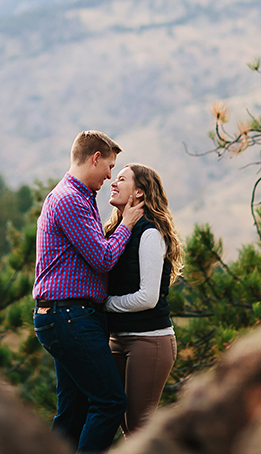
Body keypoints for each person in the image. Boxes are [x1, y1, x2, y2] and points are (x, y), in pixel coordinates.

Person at [32, 130, 144, 453]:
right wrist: (127, 223)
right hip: (70, 317)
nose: (110, 175)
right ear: (95, 158)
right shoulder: (70, 199)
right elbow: (103, 258)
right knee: (110, 402)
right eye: (109, 166)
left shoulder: (79, 199)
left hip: (66, 317)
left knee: (73, 412)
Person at [103, 163, 183, 436]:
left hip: (150, 339)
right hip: (118, 338)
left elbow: (147, 298)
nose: (113, 183)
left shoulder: (149, 233)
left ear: (138, 192)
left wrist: (105, 304)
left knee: (139, 425)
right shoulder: (115, 230)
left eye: (121, 179)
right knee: (123, 421)